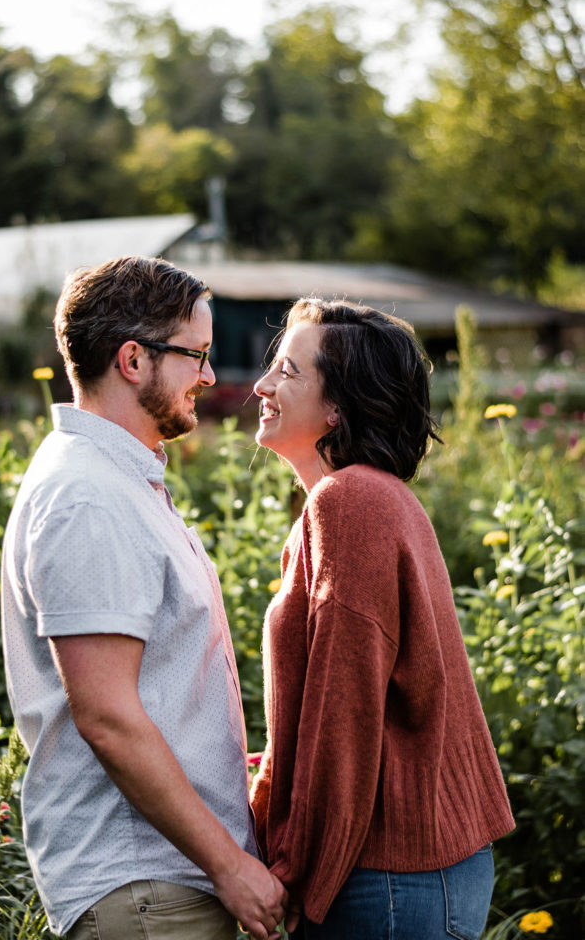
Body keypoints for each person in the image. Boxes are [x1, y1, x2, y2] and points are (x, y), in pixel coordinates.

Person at [1, 256, 287, 940]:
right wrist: (228, 866)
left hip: (161, 882)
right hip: (146, 887)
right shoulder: (87, 497)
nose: (210, 377)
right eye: (196, 355)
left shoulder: (113, 482)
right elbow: (108, 716)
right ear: (133, 359)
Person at [249, 298, 515, 940]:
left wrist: (290, 869)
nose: (261, 385)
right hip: (403, 871)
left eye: (286, 372)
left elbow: (344, 719)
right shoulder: (360, 500)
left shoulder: (353, 504)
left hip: (389, 878)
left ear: (338, 408)